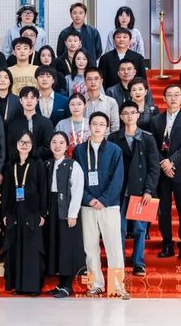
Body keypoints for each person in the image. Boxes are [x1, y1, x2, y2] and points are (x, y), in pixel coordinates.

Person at [73, 111, 129, 299]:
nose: (97, 127)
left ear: (107, 128)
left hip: (109, 206)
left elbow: (118, 179)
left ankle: (117, 286)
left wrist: (104, 200)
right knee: (89, 248)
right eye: (94, 123)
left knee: (114, 247)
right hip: (87, 205)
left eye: (101, 124)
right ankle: (95, 285)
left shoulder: (115, 150)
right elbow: (77, 179)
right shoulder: (79, 150)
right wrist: (88, 199)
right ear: (89, 126)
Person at [109, 101, 160, 277]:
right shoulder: (113, 138)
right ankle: (119, 261)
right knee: (119, 229)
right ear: (121, 117)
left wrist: (149, 190)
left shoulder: (147, 138)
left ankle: (138, 262)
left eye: (133, 112)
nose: (129, 116)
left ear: (138, 115)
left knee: (140, 229)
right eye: (126, 113)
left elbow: (154, 167)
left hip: (140, 190)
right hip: (120, 190)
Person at [150, 84, 181, 260]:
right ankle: (167, 244)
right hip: (161, 173)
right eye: (169, 95)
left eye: (177, 94)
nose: (173, 98)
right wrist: (163, 164)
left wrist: (171, 162)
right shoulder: (155, 120)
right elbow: (152, 145)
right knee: (163, 211)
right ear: (164, 98)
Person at [1, 131, 47, 296]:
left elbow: (43, 189)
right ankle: (18, 286)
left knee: (31, 248)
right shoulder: (10, 165)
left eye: (28, 142)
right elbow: (6, 191)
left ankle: (32, 287)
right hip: (14, 212)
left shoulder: (38, 164)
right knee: (15, 248)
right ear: (16, 144)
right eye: (21, 141)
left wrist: (42, 213)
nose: (24, 145)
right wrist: (5, 213)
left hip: (32, 212)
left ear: (32, 145)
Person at [43, 132, 85, 298]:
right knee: (55, 244)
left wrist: (73, 214)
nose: (57, 145)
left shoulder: (73, 165)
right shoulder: (47, 164)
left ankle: (68, 285)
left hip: (66, 209)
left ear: (67, 146)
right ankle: (60, 284)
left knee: (67, 246)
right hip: (51, 208)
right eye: (54, 142)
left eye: (61, 142)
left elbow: (77, 190)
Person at [7, 86, 53, 161]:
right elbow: (10, 146)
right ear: (20, 101)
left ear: (37, 100)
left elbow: (48, 147)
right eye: (25, 98)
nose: (29, 101)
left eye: (32, 98)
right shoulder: (13, 123)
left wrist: (31, 154)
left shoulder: (46, 123)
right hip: (18, 163)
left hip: (40, 163)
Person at [83, 67, 119, 133]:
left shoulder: (111, 102)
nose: (93, 82)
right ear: (85, 81)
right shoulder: (80, 102)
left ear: (101, 81)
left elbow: (115, 127)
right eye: (89, 79)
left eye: (96, 79)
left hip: (105, 138)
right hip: (85, 138)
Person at [55, 93, 90, 158]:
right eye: (72, 104)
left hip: (87, 159)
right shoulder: (61, 124)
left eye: (79, 104)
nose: (76, 107)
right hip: (66, 160)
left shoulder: (90, 123)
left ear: (85, 106)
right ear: (69, 106)